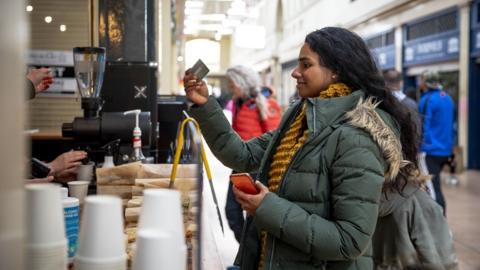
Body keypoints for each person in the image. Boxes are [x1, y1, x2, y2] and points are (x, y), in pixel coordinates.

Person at [184, 27, 419, 269]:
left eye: (306, 65)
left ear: (336, 71)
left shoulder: (356, 137)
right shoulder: (300, 118)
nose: (296, 73)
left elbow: (350, 241)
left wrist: (267, 207)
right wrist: (206, 105)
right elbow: (242, 155)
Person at [224, 65, 282, 242]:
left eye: (233, 83)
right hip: (240, 166)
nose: (231, 88)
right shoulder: (239, 103)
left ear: (242, 82)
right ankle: (246, 254)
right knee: (233, 212)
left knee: (251, 215)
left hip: (257, 169)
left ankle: (250, 259)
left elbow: (275, 139)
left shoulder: (265, 103)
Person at [418, 71, 455, 214]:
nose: (420, 82)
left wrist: (422, 147)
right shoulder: (448, 98)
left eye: (421, 79)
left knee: (433, 190)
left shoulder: (427, 99)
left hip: (430, 152)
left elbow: (423, 126)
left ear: (426, 82)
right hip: (445, 150)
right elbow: (453, 125)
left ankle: (441, 225)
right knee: (435, 187)